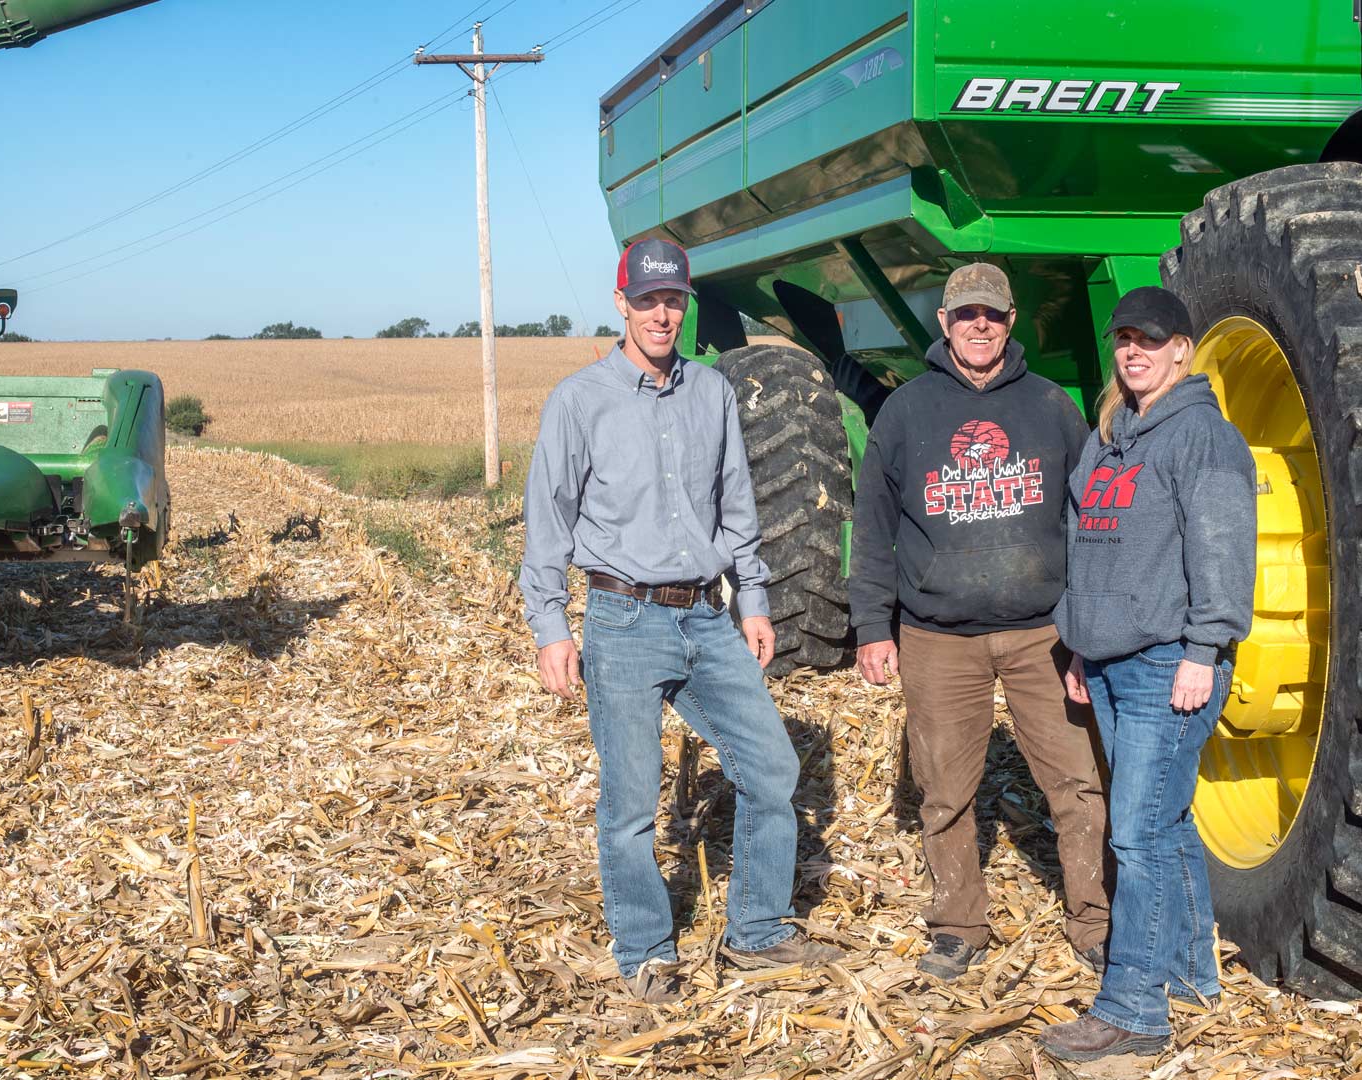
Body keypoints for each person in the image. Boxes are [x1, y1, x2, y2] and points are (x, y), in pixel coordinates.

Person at [518, 238, 841, 1005]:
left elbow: (737, 503)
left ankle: (757, 930)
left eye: (675, 301)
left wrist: (754, 600)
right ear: (622, 302)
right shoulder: (579, 400)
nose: (663, 314)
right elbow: (547, 519)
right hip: (622, 619)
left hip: (705, 616)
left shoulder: (711, 393)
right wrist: (549, 625)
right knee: (630, 804)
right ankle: (644, 952)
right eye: (649, 300)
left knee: (772, 772)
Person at [849, 262, 1111, 982]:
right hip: (938, 640)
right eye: (965, 315)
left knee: (1079, 783)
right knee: (944, 790)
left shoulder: (1053, 407)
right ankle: (958, 924)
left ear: (1011, 320)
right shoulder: (905, 413)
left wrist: (1089, 626)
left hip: (1042, 635)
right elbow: (872, 527)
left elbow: (1090, 520)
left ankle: (1094, 922)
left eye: (991, 315)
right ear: (943, 322)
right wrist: (874, 626)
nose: (979, 326)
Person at [1038, 287, 1255, 1062]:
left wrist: (1204, 651)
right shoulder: (1109, 436)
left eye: (1149, 340)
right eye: (1124, 339)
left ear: (1180, 352)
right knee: (1165, 824)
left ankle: (1133, 1010)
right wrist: (1077, 645)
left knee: (1136, 837)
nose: (1133, 352)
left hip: (1169, 663)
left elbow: (1223, 552)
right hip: (1107, 663)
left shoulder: (1203, 437)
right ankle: (1193, 980)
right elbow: (1083, 544)